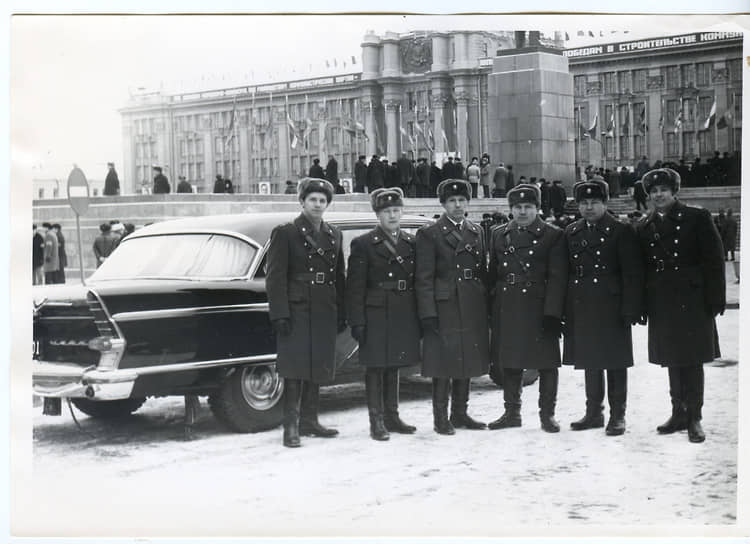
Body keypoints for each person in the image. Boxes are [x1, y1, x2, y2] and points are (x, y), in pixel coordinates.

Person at [635, 168, 725, 443]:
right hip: (661, 299)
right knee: (672, 358)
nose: (658, 195)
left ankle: (694, 417)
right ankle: (678, 412)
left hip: (693, 298)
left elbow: (714, 259)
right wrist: (641, 304)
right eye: (653, 191)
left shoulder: (697, 217)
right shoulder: (644, 225)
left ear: (675, 192)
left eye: (663, 190)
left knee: (693, 358)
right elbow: (640, 268)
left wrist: (716, 297)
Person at [266, 178, 346, 448]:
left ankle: (310, 421)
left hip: (324, 307)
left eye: (323, 201)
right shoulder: (286, 233)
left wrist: (341, 310)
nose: (318, 204)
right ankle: (291, 426)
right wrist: (280, 314)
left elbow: (339, 276)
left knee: (317, 366)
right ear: (301, 202)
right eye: (312, 200)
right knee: (295, 369)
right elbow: (275, 278)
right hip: (297, 309)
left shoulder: (335, 234)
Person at [563, 179, 645, 436]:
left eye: (594, 203)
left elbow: (632, 273)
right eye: (583, 203)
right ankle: (593, 412)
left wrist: (631, 307)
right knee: (590, 360)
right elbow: (567, 273)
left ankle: (617, 415)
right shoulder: (572, 231)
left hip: (612, 306)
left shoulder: (621, 230)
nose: (588, 208)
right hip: (583, 304)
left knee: (615, 362)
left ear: (605, 203)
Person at [487, 183, 567, 433]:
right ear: (511, 209)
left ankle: (547, 415)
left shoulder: (553, 235)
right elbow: (493, 275)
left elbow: (557, 277)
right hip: (508, 304)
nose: (522, 212)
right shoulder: (499, 234)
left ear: (537, 208)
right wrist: (491, 309)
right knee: (510, 361)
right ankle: (512, 413)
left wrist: (553, 313)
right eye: (517, 207)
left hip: (539, 305)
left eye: (528, 207)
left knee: (546, 362)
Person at [415, 178, 490, 435]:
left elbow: (481, 270)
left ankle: (460, 413)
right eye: (452, 201)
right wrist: (427, 313)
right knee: (443, 363)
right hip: (444, 305)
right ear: (444, 204)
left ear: (468, 202)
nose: (457, 205)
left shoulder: (476, 231)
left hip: (470, 303)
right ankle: (440, 418)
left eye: (462, 200)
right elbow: (423, 278)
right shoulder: (430, 233)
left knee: (466, 359)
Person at [346, 187, 420, 440]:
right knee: (376, 368)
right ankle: (376, 421)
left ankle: (393, 416)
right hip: (375, 313)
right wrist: (357, 320)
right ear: (378, 214)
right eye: (387, 211)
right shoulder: (363, 244)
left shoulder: (411, 242)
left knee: (394, 366)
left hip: (402, 311)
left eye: (396, 210)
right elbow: (355, 287)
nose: (392, 216)